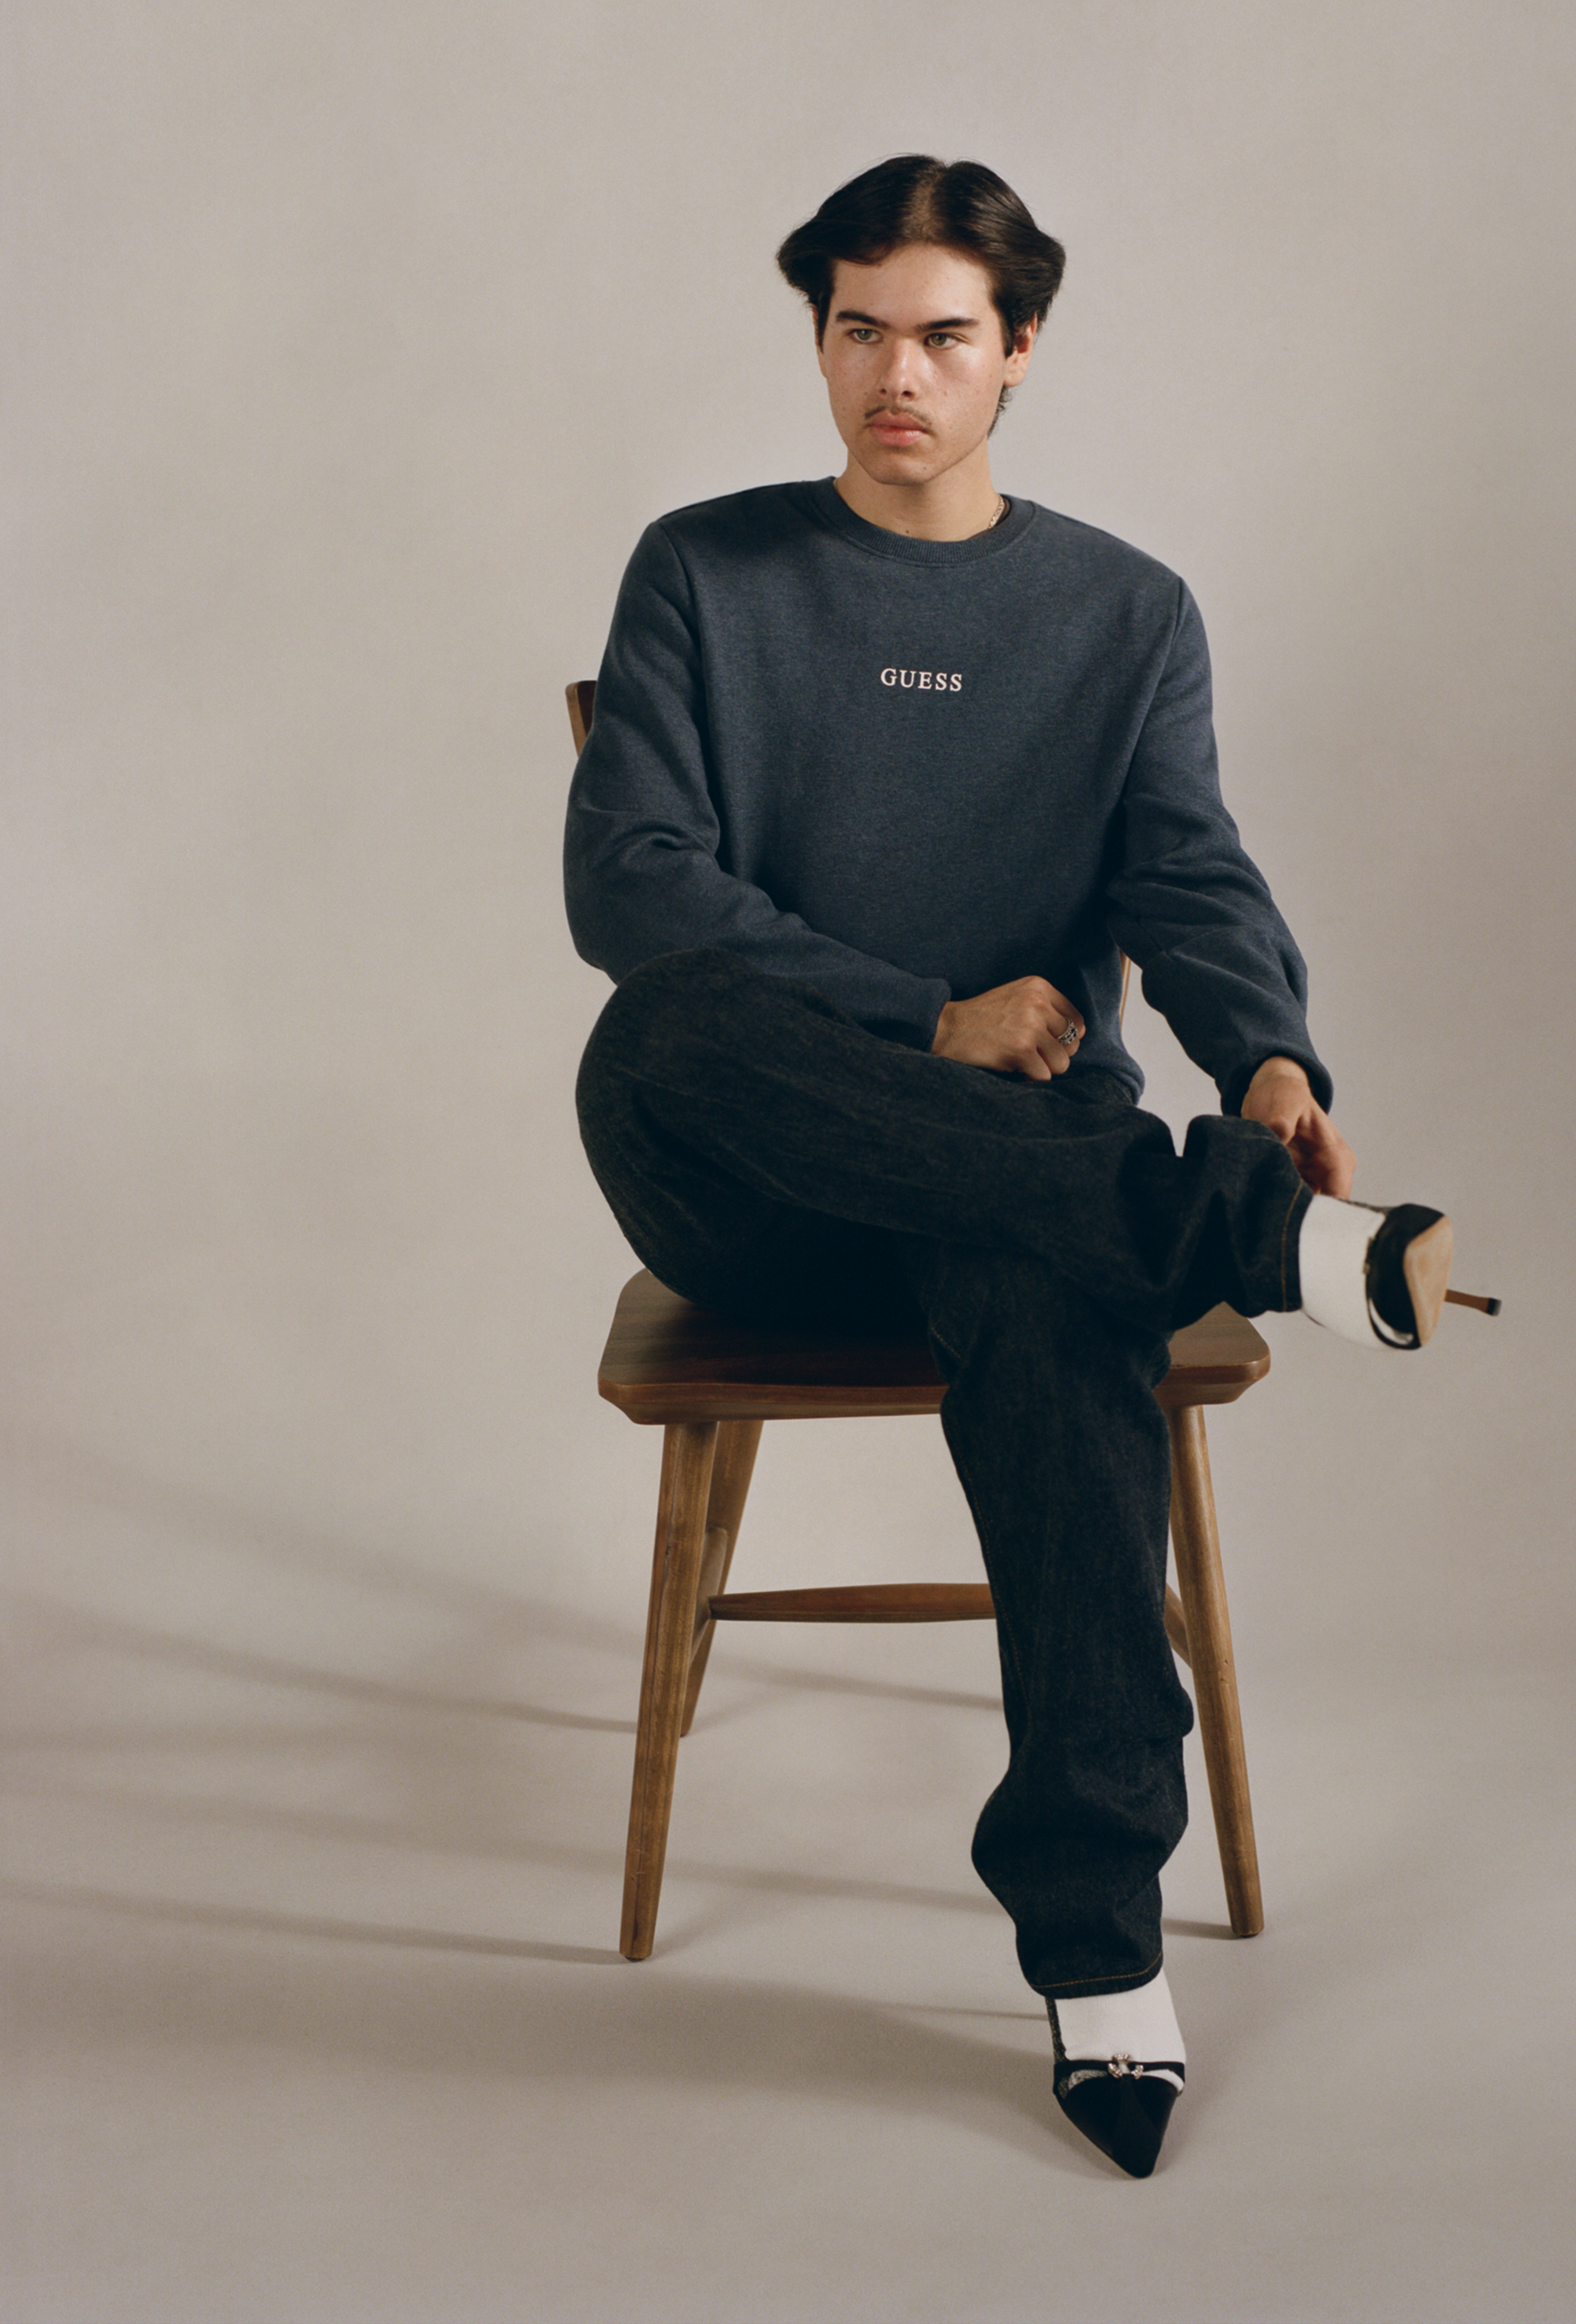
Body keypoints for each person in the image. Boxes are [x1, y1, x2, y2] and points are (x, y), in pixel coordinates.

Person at [564, 156, 1454, 2177]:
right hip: (762, 1180)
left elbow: (1188, 874)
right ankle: (1237, 1238)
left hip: (1016, 1193)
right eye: (859, 330)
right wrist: (926, 1015)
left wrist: (1271, 1055)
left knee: (1055, 1308)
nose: (898, 375)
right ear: (820, 340)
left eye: (944, 335)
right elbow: (632, 885)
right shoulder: (702, 571)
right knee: (661, 1022)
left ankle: (1099, 1946)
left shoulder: (1125, 614)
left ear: (1020, 350)